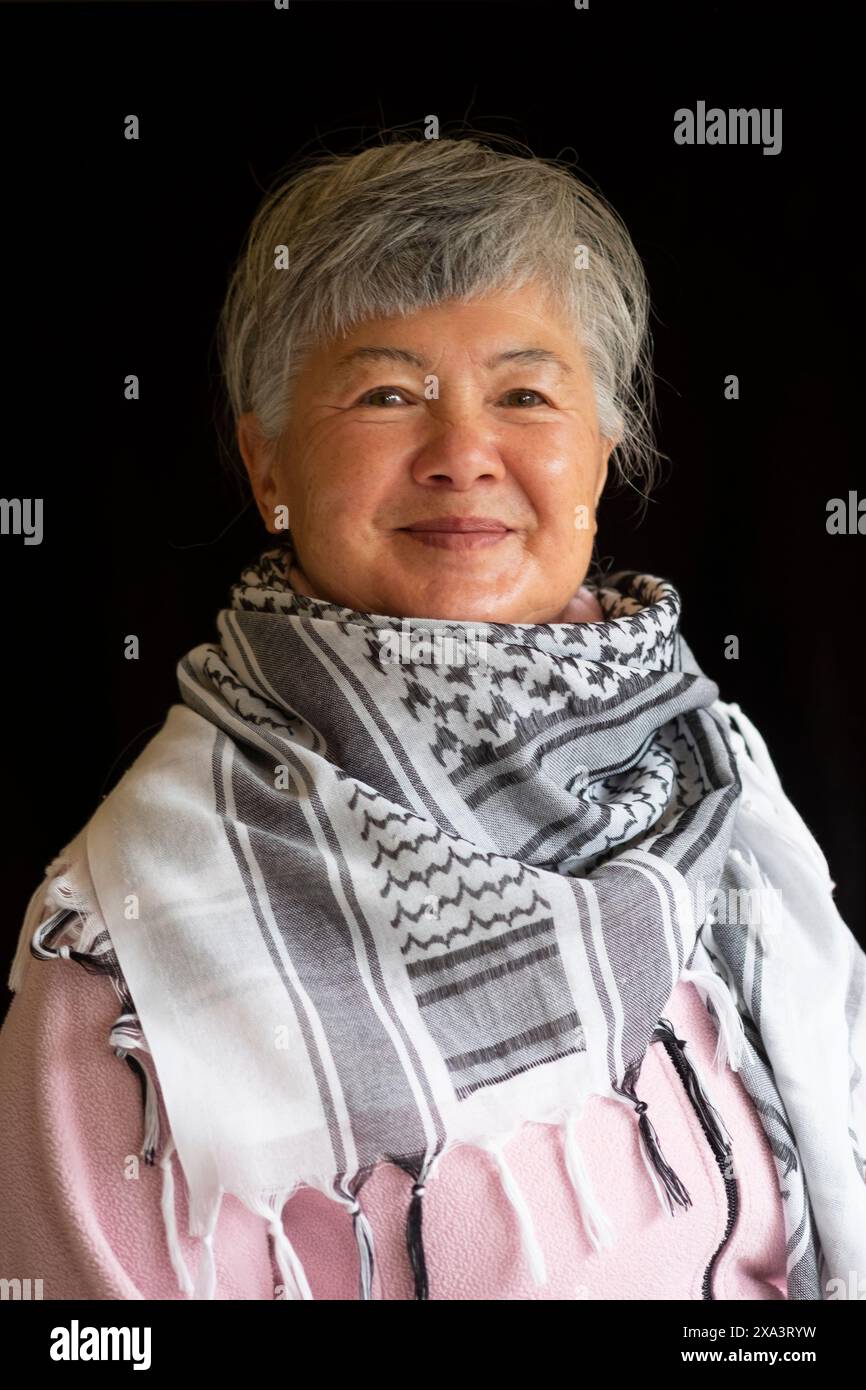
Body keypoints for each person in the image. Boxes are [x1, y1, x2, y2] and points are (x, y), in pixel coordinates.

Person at [2, 135, 864, 1302]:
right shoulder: (120, 930)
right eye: (386, 393)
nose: (463, 455)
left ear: (599, 458)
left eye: (523, 393)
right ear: (269, 465)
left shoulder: (706, 773)